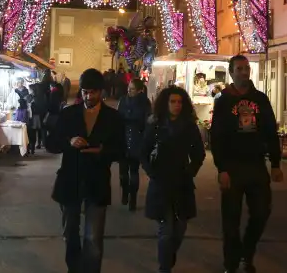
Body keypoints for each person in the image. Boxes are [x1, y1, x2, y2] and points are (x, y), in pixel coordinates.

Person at [46, 69, 125, 273]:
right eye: (84, 92)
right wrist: (68, 141)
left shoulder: (113, 117)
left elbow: (122, 150)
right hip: (71, 180)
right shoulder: (68, 114)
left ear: (101, 92)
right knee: (70, 233)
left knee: (93, 238)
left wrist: (102, 151)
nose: (88, 96)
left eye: (92, 92)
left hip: (97, 182)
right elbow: (51, 144)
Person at [210, 54, 283, 273]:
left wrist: (276, 163)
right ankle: (231, 265)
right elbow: (217, 136)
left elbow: (270, 130)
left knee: (261, 213)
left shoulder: (260, 99)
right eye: (239, 68)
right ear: (231, 72)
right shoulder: (223, 99)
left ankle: (246, 253)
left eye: (246, 68)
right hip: (232, 166)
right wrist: (221, 168)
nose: (244, 72)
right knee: (231, 222)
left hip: (256, 165)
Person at [140, 86, 205, 273]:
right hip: (161, 182)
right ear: (165, 103)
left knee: (180, 229)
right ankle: (165, 267)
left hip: (182, 183)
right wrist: (151, 171)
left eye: (179, 102)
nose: (176, 105)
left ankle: (168, 257)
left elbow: (199, 153)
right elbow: (143, 151)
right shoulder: (156, 124)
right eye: (172, 102)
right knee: (166, 231)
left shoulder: (189, 126)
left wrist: (191, 171)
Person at [118, 78, 151, 211]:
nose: (129, 91)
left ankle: (133, 198)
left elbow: (147, 122)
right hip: (124, 139)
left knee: (134, 171)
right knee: (122, 173)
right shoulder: (123, 100)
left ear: (139, 90)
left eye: (132, 89)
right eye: (128, 88)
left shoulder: (145, 103)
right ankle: (125, 191)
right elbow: (118, 118)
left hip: (137, 140)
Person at [30, 72, 52, 150]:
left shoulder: (35, 94)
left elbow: (31, 86)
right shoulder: (45, 92)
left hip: (36, 113)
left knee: (36, 129)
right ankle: (44, 143)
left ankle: (37, 144)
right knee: (43, 128)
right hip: (44, 112)